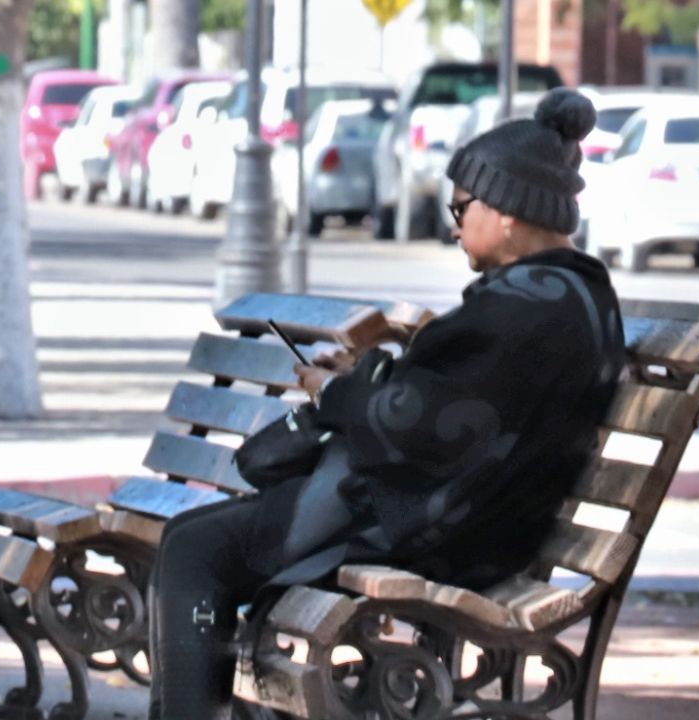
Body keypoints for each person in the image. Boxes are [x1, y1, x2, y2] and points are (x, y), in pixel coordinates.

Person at [147, 87, 625, 720]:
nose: (454, 225)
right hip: (481, 519)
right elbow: (458, 402)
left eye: (462, 207)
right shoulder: (564, 295)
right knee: (192, 540)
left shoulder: (526, 307)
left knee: (194, 554)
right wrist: (361, 382)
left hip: (447, 532)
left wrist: (337, 392)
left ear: (507, 209)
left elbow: (422, 421)